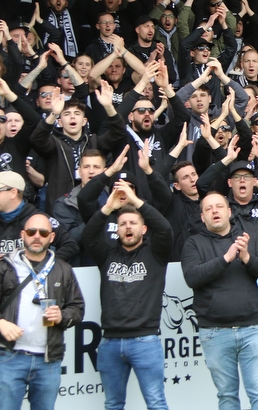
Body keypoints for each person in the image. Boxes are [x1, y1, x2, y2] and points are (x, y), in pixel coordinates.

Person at [82, 173, 172, 410]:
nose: (127, 227)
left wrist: (135, 200)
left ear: (143, 228)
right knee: (113, 404)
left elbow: (164, 229)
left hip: (145, 340)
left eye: (133, 223)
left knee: (156, 402)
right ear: (117, 230)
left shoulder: (156, 253)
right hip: (110, 342)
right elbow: (88, 235)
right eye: (122, 224)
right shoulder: (106, 254)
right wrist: (108, 208)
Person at [182, 192, 258, 410]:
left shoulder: (248, 238)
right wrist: (226, 258)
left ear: (229, 212)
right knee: (227, 396)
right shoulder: (193, 243)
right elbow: (192, 277)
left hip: (252, 328)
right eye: (208, 209)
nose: (214, 211)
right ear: (203, 217)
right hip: (214, 332)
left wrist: (246, 258)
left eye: (219, 206)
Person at [0, 213, 84, 410]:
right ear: (23, 234)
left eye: (43, 232)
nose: (37, 236)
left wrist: (62, 316)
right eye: (32, 232)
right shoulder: (5, 266)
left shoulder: (63, 269)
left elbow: (77, 308)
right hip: (11, 356)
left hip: (48, 361)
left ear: (52, 237)